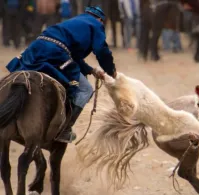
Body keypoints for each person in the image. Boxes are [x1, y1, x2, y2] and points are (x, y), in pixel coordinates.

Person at [5, 6, 116, 143]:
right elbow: (102, 51)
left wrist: (91, 70)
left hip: (35, 48)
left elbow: (73, 56)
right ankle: (65, 129)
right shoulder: (96, 25)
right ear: (100, 19)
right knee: (85, 89)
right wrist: (111, 72)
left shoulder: (73, 22)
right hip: (55, 53)